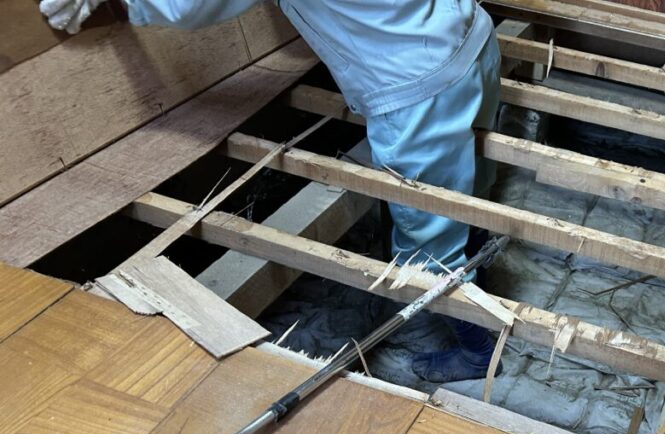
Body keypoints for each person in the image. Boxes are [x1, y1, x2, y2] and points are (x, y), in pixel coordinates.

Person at [40, 0, 502, 383]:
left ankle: (479, 351)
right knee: (466, 193)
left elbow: (193, 5)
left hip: (419, 83)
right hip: (469, 35)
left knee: (427, 248)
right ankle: (478, 269)